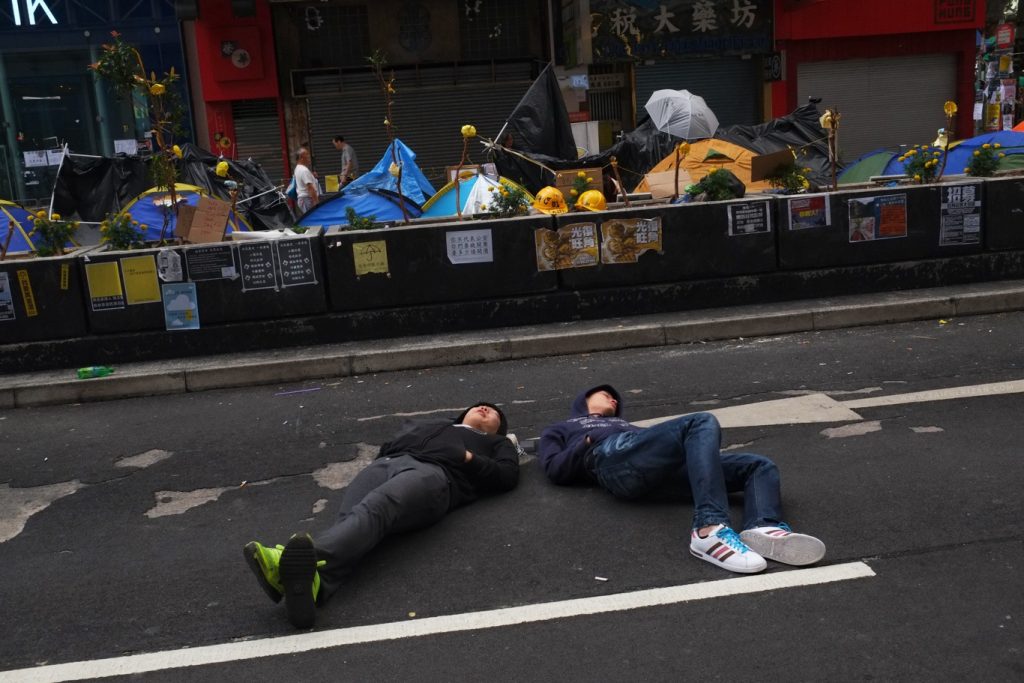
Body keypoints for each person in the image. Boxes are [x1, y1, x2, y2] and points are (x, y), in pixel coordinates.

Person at [244, 402, 520, 629]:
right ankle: (314, 584)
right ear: (463, 414)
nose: (485, 408)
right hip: (386, 464)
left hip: (435, 474)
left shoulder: (497, 444)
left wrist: (467, 458)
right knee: (352, 520)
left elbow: (507, 476)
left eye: (494, 412)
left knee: (377, 507)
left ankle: (286, 564)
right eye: (479, 406)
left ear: (499, 428)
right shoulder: (440, 423)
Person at [538, 385, 825, 575]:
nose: (613, 398)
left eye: (616, 398)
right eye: (605, 394)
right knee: (700, 421)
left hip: (653, 469)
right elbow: (554, 469)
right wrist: (585, 442)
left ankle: (763, 527)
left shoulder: (627, 425)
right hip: (610, 461)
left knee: (759, 465)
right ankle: (707, 530)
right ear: (583, 400)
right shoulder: (563, 428)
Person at [292, 147, 318, 214]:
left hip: (304, 199)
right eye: (307, 154)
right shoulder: (304, 170)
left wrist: (311, 176)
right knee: (312, 221)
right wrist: (316, 202)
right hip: (307, 199)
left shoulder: (298, 168)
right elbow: (309, 187)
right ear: (301, 157)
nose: (309, 156)